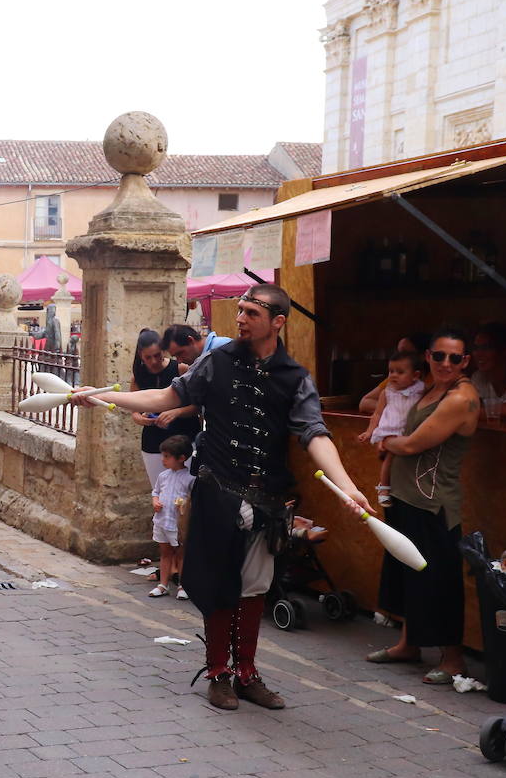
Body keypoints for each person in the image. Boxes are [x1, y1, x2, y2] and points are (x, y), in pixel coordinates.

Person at [77, 284, 370, 711]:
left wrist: (347, 485)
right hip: (217, 491)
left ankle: (247, 673)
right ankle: (219, 673)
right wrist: (105, 396)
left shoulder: (295, 378)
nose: (241, 318)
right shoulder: (216, 361)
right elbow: (165, 397)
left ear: (278, 322)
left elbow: (314, 433)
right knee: (217, 585)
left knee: (254, 588)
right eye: (241, 310)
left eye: (252, 312)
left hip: (266, 498)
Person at [368, 328, 479, 684]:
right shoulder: (430, 387)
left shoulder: (462, 397)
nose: (446, 363)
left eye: (455, 358)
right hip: (405, 496)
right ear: (427, 357)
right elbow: (375, 401)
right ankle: (408, 644)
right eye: (439, 356)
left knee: (439, 579)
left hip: (434, 503)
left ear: (466, 362)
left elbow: (415, 444)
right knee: (408, 575)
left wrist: (385, 439)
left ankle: (453, 660)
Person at [130, 328, 201, 499]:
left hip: (185, 440)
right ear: (140, 355)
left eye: (158, 355)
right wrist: (143, 419)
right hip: (153, 443)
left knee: (186, 496)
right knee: (160, 494)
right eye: (148, 357)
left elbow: (198, 406)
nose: (154, 361)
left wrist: (176, 412)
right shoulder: (138, 377)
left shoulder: (181, 369)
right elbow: (135, 411)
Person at [356, 349, 425, 506]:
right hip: (392, 431)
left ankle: (413, 488)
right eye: (391, 371)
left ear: (415, 375)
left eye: (400, 372)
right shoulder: (386, 393)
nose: (393, 375)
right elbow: (377, 414)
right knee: (390, 458)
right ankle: (384, 487)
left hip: (412, 431)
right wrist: (369, 431)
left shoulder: (421, 390)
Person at [149, 435, 195, 600]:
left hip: (177, 524)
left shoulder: (190, 479)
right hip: (162, 520)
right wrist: (155, 501)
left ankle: (183, 585)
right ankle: (163, 584)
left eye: (167, 457)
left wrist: (184, 506)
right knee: (165, 553)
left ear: (181, 458)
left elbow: (193, 500)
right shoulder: (163, 476)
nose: (163, 460)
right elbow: (156, 492)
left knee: (181, 554)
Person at [357, 333, 430, 414]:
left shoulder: (433, 381)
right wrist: (394, 408)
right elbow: (364, 403)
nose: (399, 358)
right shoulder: (395, 378)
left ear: (423, 356)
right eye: (398, 353)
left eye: (405, 353)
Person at [162, 323, 231, 370]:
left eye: (180, 353)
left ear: (190, 340)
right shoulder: (196, 364)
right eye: (175, 356)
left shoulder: (223, 347)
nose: (180, 361)